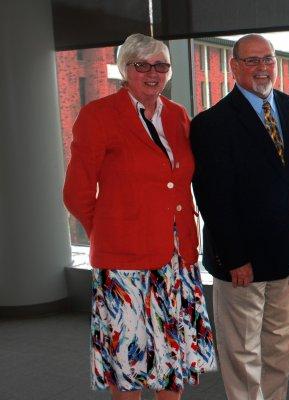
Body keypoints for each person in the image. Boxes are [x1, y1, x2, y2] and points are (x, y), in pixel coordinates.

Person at [63, 33, 215, 400]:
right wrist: (112, 231)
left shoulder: (178, 115)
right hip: (124, 263)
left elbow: (179, 182)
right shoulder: (98, 116)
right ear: (124, 68)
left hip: (177, 258)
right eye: (141, 65)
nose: (152, 73)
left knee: (171, 359)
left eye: (161, 65)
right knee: (128, 363)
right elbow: (76, 194)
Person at [190, 34, 289, 400]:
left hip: (284, 259)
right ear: (234, 66)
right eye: (251, 61)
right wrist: (236, 259)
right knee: (242, 352)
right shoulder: (212, 124)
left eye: (267, 59)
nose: (261, 68)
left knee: (278, 348)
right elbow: (213, 200)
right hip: (242, 264)